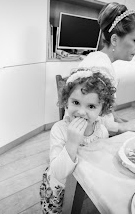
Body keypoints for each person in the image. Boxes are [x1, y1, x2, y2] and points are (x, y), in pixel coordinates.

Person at [40, 69, 116, 213]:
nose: (81, 112)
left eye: (91, 106)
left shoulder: (101, 131)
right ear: (66, 102)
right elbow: (58, 172)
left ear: (102, 110)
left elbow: (98, 162)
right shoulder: (59, 130)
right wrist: (72, 143)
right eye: (76, 102)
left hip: (82, 185)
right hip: (59, 186)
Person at [77, 2, 135, 134]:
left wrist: (114, 118)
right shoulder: (100, 69)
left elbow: (99, 109)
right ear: (115, 40)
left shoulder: (98, 59)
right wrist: (121, 127)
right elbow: (86, 115)